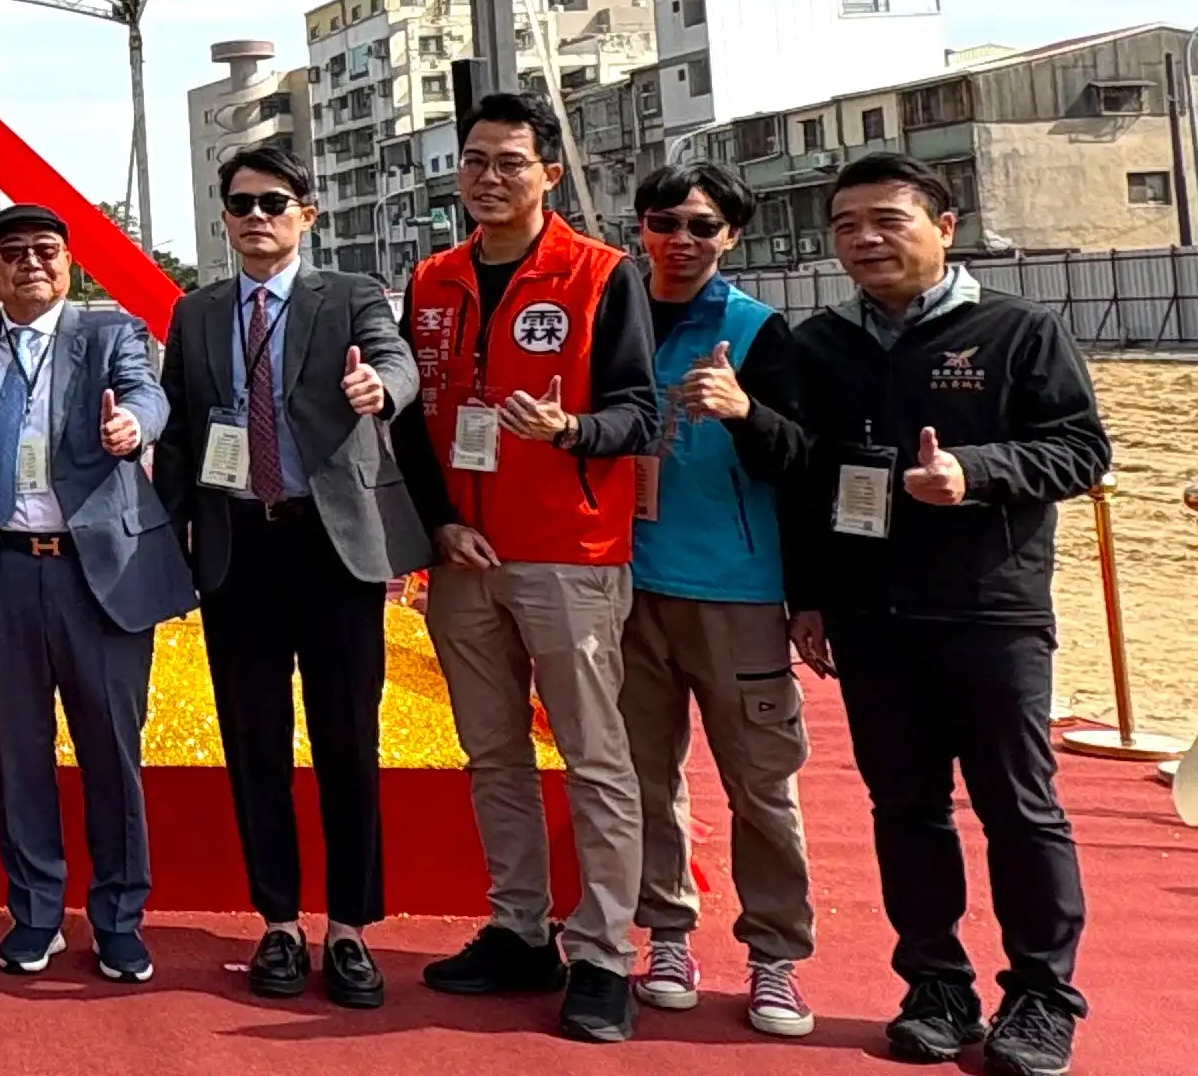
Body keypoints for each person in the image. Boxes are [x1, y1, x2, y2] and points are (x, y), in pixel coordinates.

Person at [762, 153, 1108, 1076]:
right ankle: (934, 983)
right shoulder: (818, 344)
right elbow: (801, 479)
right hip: (871, 617)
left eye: (886, 219)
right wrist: (809, 599)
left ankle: (1039, 997)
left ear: (943, 227)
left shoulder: (1017, 330)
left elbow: (1079, 450)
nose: (863, 240)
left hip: (987, 611)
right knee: (905, 807)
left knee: (1019, 808)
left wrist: (974, 473)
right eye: (845, 225)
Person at [394, 88, 658, 1043]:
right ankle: (517, 928)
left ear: (549, 171)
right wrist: (434, 526)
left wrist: (571, 430)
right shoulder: (430, 280)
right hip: (463, 557)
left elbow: (641, 413)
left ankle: (600, 953)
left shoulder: (597, 274)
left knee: (593, 757)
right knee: (491, 753)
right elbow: (409, 425)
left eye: (509, 161)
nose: (488, 178)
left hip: (568, 554)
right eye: (473, 161)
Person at [153, 146, 426, 1007]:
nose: (257, 216)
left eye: (274, 201)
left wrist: (377, 388)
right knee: (253, 741)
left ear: (306, 213)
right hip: (237, 548)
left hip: (333, 547)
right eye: (241, 204)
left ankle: (348, 928)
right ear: (223, 218)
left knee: (347, 739)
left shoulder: (345, 296)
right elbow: (176, 437)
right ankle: (277, 922)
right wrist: (166, 543)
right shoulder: (193, 316)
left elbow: (398, 362)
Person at [0, 203, 189, 984]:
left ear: (68, 263)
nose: (30, 264)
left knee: (111, 753)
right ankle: (35, 912)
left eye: (45, 250)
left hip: (95, 575)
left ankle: (117, 918)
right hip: (3, 574)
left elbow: (147, 396)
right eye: (11, 253)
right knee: (19, 756)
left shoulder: (107, 333)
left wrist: (131, 431)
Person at [614, 164, 818, 1036]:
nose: (681, 240)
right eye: (665, 223)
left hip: (734, 591)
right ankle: (665, 932)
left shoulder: (761, 332)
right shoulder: (609, 318)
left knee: (760, 784)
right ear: (640, 231)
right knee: (643, 777)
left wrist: (744, 413)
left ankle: (774, 955)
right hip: (624, 585)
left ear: (730, 235)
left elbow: (807, 463)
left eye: (702, 226)